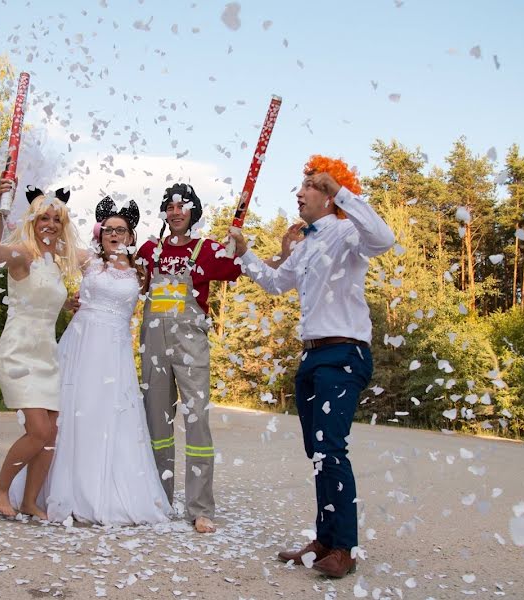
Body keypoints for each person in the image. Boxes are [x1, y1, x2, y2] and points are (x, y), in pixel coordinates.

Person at [228, 155, 395, 577]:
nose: (299, 194)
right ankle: (323, 539)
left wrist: (341, 191)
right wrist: (246, 253)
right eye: (301, 187)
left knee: (332, 448)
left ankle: (344, 548)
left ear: (328, 193)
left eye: (309, 187)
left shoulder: (348, 233)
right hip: (312, 356)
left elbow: (384, 238)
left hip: (345, 352)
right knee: (318, 452)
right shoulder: (305, 244)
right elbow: (275, 282)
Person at [11, 197, 171, 526]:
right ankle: (43, 491)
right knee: (70, 414)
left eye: (121, 230)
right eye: (109, 229)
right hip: (80, 347)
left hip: (115, 353)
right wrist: (32, 219)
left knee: (109, 415)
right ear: (100, 233)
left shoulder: (141, 272)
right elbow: (49, 245)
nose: (115, 234)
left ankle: (107, 493)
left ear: (131, 236)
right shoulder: (88, 261)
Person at [136, 183, 242, 534]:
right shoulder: (150, 250)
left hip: (190, 346)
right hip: (153, 345)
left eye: (183, 206)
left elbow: (236, 268)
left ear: (193, 211)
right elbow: (129, 285)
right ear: (165, 212)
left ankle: (200, 508)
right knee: (157, 425)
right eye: (170, 206)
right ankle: (159, 499)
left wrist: (237, 244)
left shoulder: (206, 248)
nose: (176, 211)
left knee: (197, 422)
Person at [0, 180, 79, 520]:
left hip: (46, 354)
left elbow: (44, 297)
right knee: (38, 430)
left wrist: (68, 303)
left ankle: (30, 501)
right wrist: (0, 210)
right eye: (44, 219)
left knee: (50, 434)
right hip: (19, 351)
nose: (50, 225)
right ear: (33, 222)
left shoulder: (54, 263)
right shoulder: (22, 254)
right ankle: (0, 487)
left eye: (56, 220)